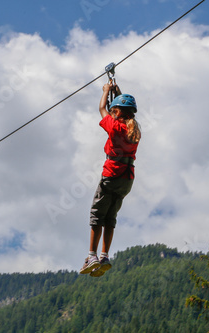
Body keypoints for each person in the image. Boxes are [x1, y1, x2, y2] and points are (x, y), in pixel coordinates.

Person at [79, 82, 141, 277]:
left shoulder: (114, 126)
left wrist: (106, 91)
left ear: (116, 112)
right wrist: (117, 94)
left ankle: (92, 256)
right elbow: (122, 111)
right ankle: (105, 256)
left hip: (111, 175)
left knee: (97, 215)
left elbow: (101, 108)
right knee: (111, 217)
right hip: (127, 179)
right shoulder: (135, 130)